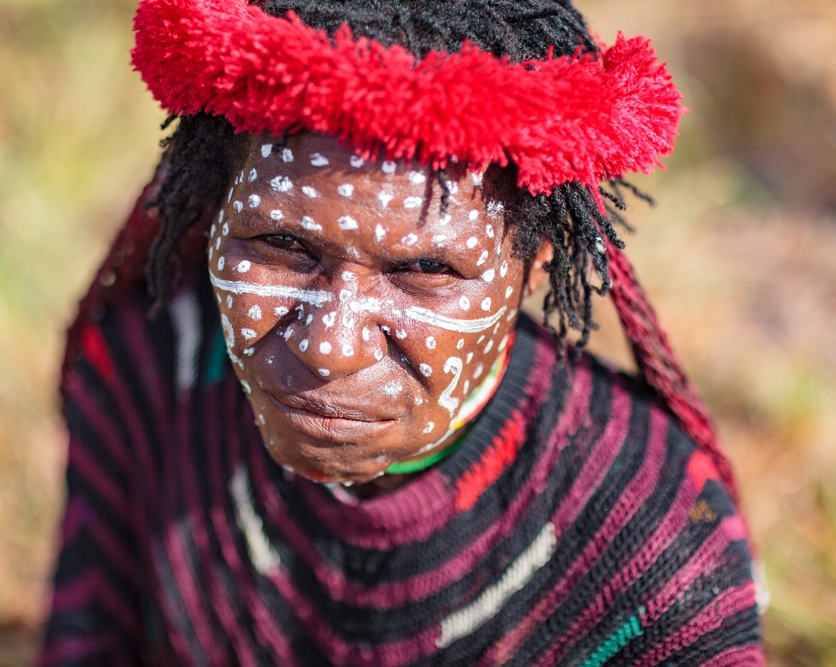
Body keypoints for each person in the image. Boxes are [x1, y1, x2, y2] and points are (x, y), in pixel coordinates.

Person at [39, 0, 765, 665]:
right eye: (283, 245)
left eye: (423, 269)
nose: (331, 344)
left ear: (534, 268)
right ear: (212, 207)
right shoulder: (151, 370)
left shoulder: (658, 542)